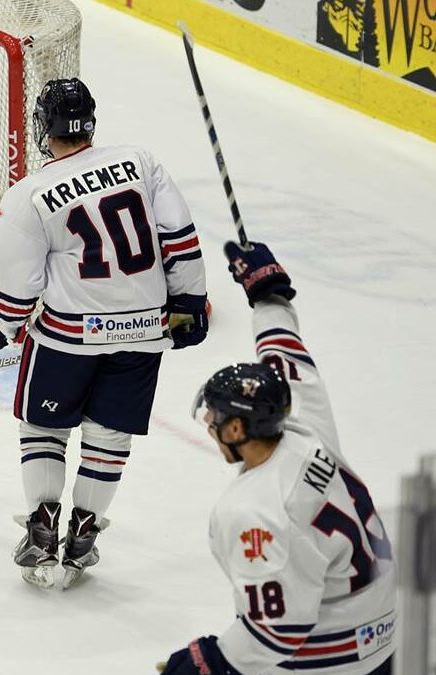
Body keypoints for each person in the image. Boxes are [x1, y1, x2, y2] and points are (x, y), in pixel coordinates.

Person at [0, 78, 208, 588]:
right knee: (108, 437)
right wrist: (187, 307)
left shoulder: (29, 195)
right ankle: (83, 535)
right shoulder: (141, 163)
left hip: (67, 338)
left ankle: (41, 527)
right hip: (145, 331)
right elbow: (179, 240)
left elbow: (15, 293)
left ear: (44, 128)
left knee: (44, 429)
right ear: (90, 122)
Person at [161, 242, 395, 674]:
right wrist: (268, 294)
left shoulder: (256, 510)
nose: (209, 424)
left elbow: (277, 632)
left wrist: (209, 661)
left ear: (236, 429)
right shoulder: (304, 423)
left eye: (214, 416)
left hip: (333, 658)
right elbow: (283, 352)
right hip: (386, 630)